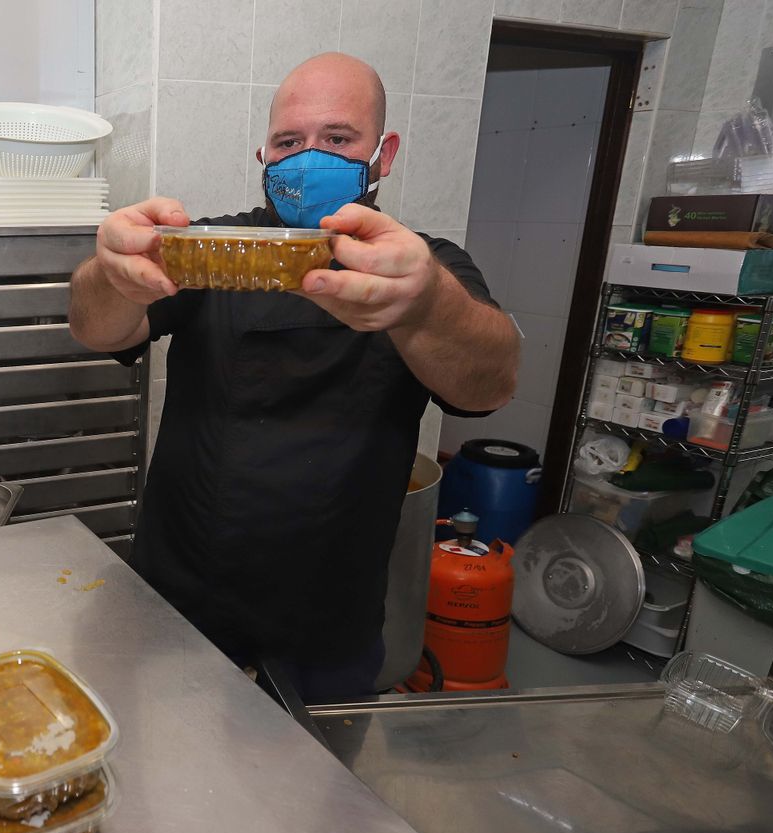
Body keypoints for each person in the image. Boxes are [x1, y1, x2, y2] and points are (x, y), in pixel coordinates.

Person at [68, 53, 520, 703]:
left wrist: (426, 305)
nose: (310, 158)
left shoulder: (427, 272)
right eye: (289, 142)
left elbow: (490, 383)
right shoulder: (216, 251)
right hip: (177, 607)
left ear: (382, 154)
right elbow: (97, 329)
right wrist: (107, 272)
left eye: (338, 139)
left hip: (327, 633)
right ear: (264, 156)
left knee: (316, 804)